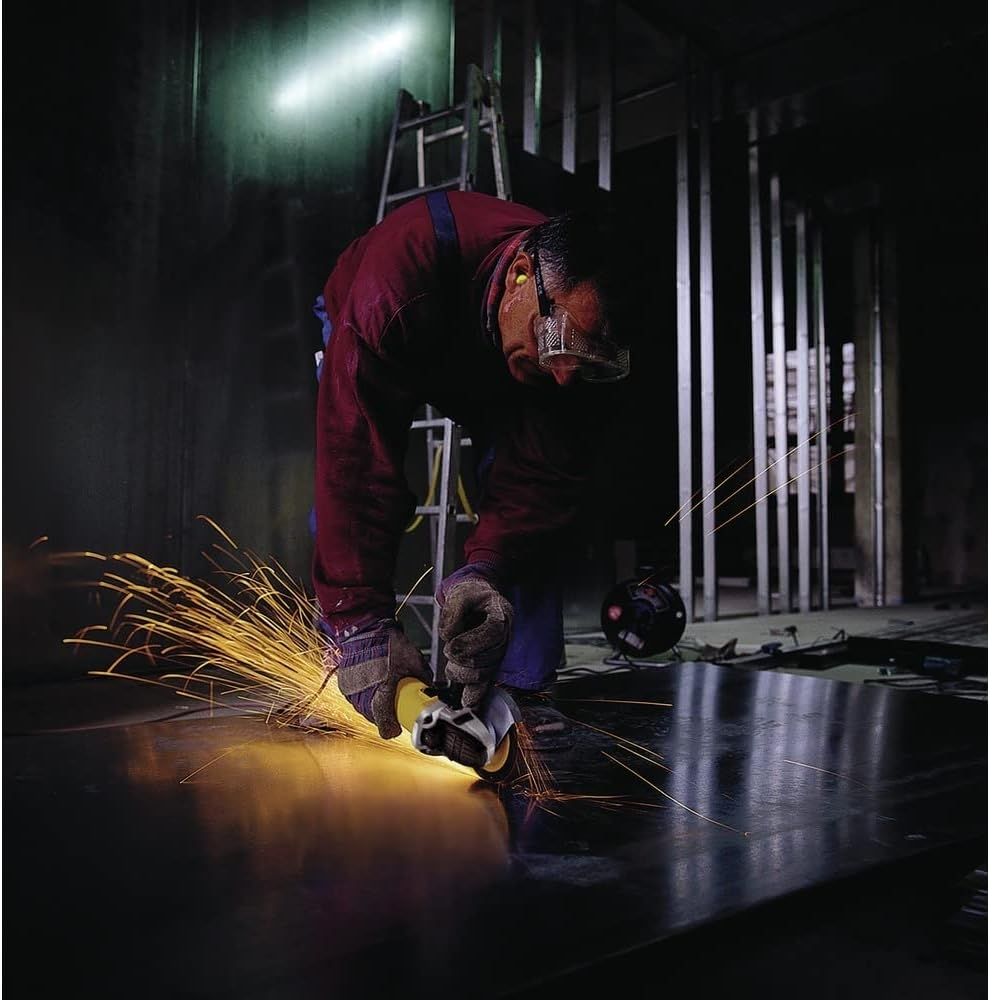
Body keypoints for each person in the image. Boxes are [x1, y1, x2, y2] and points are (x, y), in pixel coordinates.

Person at [313, 190, 629, 740]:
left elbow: (537, 484)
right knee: (349, 473)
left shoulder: (559, 354)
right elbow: (353, 464)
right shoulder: (395, 284)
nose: (564, 376)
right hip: (382, 313)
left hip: (488, 348)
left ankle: (518, 690)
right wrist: (359, 618)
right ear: (521, 275)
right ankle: (347, 643)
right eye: (558, 343)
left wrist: (487, 571)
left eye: (584, 361)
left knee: (535, 507)